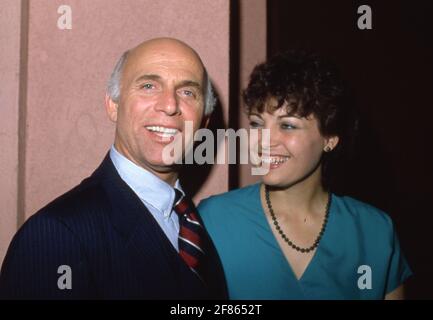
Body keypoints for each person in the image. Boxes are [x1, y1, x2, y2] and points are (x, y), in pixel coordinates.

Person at [0, 38, 227, 299]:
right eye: (149, 86)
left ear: (205, 121)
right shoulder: (54, 236)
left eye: (188, 92)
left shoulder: (194, 224)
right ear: (113, 105)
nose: (170, 105)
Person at [198, 50, 412, 299]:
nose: (263, 142)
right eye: (257, 124)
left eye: (287, 125)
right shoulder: (213, 220)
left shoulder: (375, 231)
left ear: (329, 138)